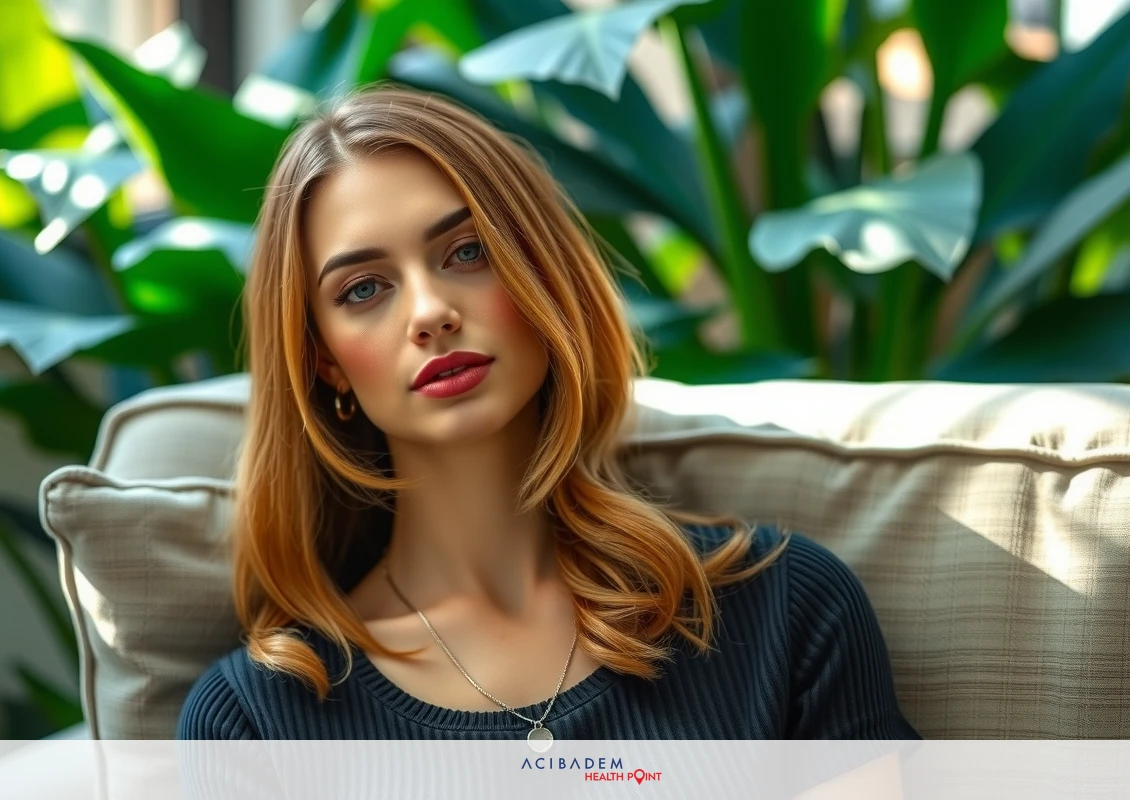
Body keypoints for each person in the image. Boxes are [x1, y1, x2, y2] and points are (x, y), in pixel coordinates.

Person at [176, 84, 921, 742]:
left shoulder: (786, 612)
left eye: (467, 252)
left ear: (541, 272)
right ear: (324, 359)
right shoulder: (256, 722)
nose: (432, 313)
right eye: (364, 290)